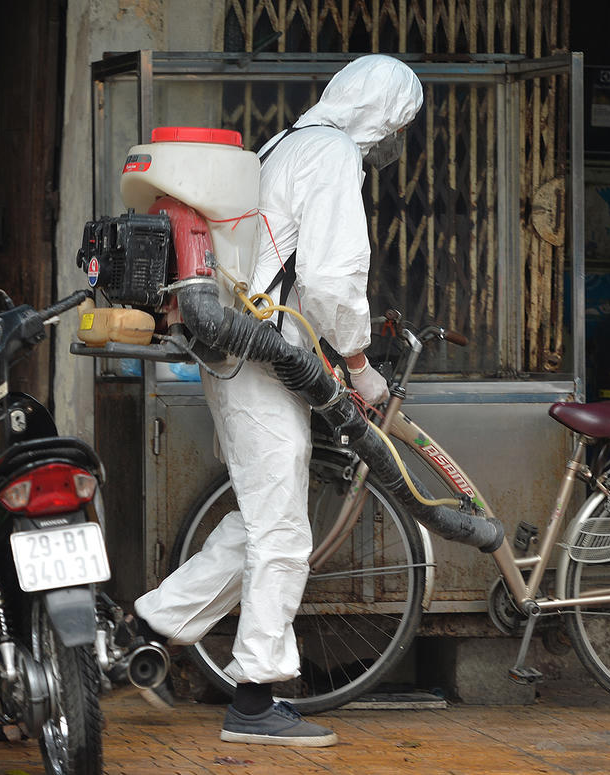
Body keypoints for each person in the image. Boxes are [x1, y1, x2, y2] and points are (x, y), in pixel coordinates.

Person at [130, 54, 424, 747]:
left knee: (261, 522)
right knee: (283, 533)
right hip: (261, 363)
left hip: (243, 355)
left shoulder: (285, 142)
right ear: (382, 116)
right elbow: (329, 280)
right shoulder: (332, 153)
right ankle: (254, 699)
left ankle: (145, 627)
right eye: (397, 125)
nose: (391, 140)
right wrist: (359, 365)